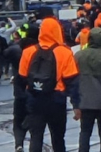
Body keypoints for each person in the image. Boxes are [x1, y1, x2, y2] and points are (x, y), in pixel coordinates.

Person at [17, 16, 80, 152]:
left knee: (36, 137)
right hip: (56, 100)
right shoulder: (65, 52)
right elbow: (72, 81)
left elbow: (22, 77)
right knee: (58, 138)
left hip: (34, 99)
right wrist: (76, 105)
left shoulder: (28, 52)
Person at [6, 26, 38, 152]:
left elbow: (4, 54)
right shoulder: (40, 50)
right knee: (35, 124)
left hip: (19, 92)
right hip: (35, 92)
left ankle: (18, 144)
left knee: (17, 121)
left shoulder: (14, 50)